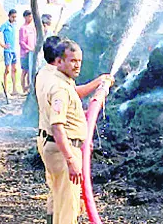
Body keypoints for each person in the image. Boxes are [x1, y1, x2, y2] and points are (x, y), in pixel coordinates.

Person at [35, 36, 113, 224]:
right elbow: (58, 125)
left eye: (79, 61)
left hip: (52, 145)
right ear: (59, 61)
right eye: (73, 61)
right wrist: (71, 159)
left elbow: (72, 96)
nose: (77, 65)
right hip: (64, 149)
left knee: (58, 197)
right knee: (69, 207)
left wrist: (99, 85)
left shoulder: (48, 75)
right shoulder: (60, 87)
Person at [0, 9, 19, 96]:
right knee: (7, 70)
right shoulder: (5, 25)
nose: (14, 18)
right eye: (13, 17)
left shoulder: (15, 25)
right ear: (9, 16)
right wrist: (2, 44)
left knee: (14, 69)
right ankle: (6, 89)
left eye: (15, 17)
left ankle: (14, 89)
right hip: (7, 50)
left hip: (14, 50)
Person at [19, 10, 36, 93]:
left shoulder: (32, 28)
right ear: (25, 17)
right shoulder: (23, 28)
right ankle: (23, 89)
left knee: (31, 71)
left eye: (31, 16)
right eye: (29, 16)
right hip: (25, 53)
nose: (30, 18)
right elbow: (21, 42)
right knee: (24, 71)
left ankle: (29, 88)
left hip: (32, 53)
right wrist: (28, 48)